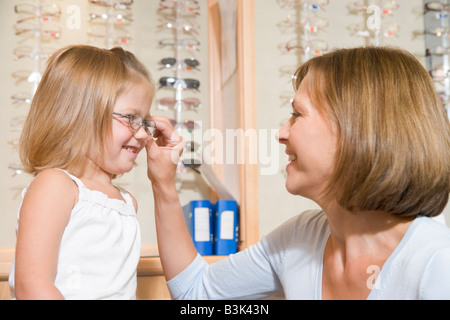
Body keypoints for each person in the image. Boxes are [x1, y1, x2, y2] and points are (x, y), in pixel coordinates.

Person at [146, 46, 450, 300]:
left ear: (356, 130)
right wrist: (163, 184)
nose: (280, 133)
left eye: (297, 114)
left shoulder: (436, 264)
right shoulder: (299, 238)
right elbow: (195, 294)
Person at [9, 45, 156, 300]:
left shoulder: (126, 203)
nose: (143, 133)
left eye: (145, 122)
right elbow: (31, 286)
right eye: (132, 118)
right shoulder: (55, 186)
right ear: (82, 116)